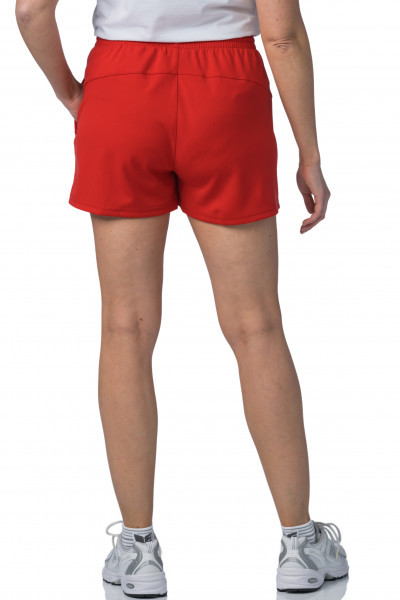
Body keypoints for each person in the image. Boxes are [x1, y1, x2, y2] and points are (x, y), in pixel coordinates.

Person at [15, 0, 349, 596]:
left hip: (119, 87)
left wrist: (72, 94)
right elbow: (282, 37)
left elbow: (31, 11)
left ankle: (137, 550)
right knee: (256, 327)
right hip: (227, 90)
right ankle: (300, 543)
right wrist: (311, 153)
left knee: (125, 327)